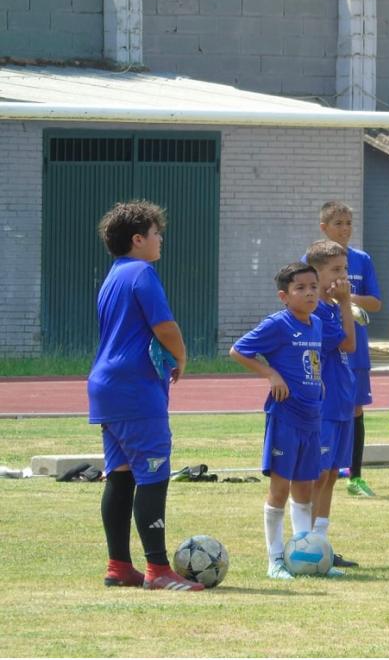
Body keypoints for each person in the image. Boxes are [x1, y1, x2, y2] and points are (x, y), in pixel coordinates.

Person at [87, 200, 203, 591]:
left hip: (107, 387)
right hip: (135, 389)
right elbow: (164, 326)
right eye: (156, 233)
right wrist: (182, 355)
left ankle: (119, 565)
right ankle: (158, 569)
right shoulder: (143, 272)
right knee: (154, 474)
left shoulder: (114, 275)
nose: (161, 239)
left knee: (120, 477)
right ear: (138, 239)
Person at [230, 262, 345, 580]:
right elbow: (238, 351)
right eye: (301, 288)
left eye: (313, 287)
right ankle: (275, 560)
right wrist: (271, 373)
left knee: (305, 490)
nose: (309, 294)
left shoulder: (317, 324)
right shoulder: (277, 324)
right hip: (285, 417)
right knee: (279, 490)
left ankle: (305, 556)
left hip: (312, 417)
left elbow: (312, 361)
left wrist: (317, 381)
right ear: (284, 295)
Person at [318, 201, 382, 498]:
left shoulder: (362, 260)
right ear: (324, 228)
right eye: (338, 223)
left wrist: (347, 297)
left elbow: (376, 303)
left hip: (355, 350)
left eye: (348, 223)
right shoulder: (312, 258)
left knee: (355, 408)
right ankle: (321, 466)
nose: (344, 229)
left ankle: (354, 476)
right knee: (321, 406)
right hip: (325, 350)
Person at [304, 240, 360, 570]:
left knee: (333, 475)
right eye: (336, 270)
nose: (343, 277)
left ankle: (321, 543)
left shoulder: (333, 307)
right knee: (318, 474)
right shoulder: (317, 313)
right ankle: (306, 541)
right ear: (317, 273)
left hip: (342, 400)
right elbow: (349, 343)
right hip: (324, 404)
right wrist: (346, 302)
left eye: (345, 270)